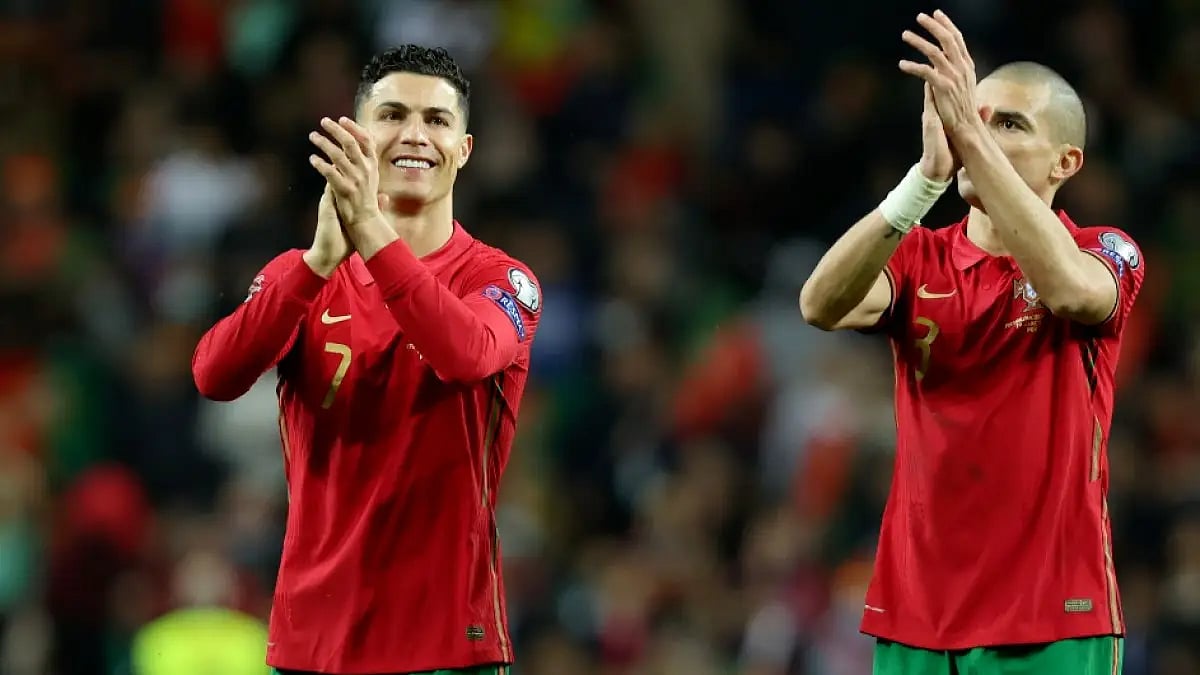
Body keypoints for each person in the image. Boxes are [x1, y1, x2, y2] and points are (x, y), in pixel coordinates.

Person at [799, 11, 1141, 675]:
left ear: (1066, 161)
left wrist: (967, 134)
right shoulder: (917, 259)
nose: (974, 131)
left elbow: (1073, 294)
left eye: (1008, 124)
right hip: (916, 614)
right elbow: (820, 304)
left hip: (1051, 615)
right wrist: (922, 183)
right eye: (971, 115)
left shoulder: (1104, 250)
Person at [192, 45, 540, 675]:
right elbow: (213, 375)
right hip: (312, 648)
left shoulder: (503, 280)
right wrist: (319, 262)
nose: (415, 134)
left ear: (464, 149)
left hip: (447, 651)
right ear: (356, 135)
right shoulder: (303, 275)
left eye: (437, 121)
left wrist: (369, 231)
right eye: (393, 114)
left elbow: (466, 354)